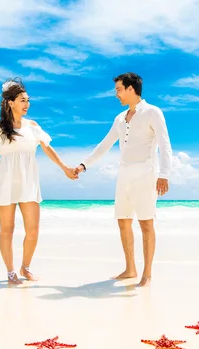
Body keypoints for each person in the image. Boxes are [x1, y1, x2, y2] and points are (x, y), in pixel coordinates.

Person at [74, 72, 173, 287]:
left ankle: (146, 273)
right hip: (124, 174)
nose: (116, 94)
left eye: (119, 89)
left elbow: (165, 144)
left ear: (130, 89)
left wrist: (164, 174)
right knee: (123, 221)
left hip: (146, 173)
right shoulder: (120, 118)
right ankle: (130, 269)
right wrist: (83, 165)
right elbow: (105, 144)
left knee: (146, 223)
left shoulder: (152, 112)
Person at [0, 78, 77, 285]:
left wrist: (65, 168)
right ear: (10, 103)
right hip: (6, 181)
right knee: (7, 230)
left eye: (28, 100)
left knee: (33, 230)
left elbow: (47, 148)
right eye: (22, 100)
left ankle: (26, 267)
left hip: (29, 181)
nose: (27, 104)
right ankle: (11, 272)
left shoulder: (33, 126)